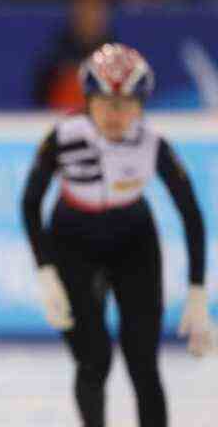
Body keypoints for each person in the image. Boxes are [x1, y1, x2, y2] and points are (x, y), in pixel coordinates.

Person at [21, 43, 211, 427]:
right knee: (94, 360)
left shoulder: (153, 145)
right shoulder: (63, 136)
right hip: (73, 244)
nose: (115, 113)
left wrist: (197, 290)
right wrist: (45, 270)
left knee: (143, 363)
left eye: (126, 103)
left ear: (142, 105)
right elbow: (30, 202)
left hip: (133, 244)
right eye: (105, 101)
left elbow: (191, 213)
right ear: (87, 98)